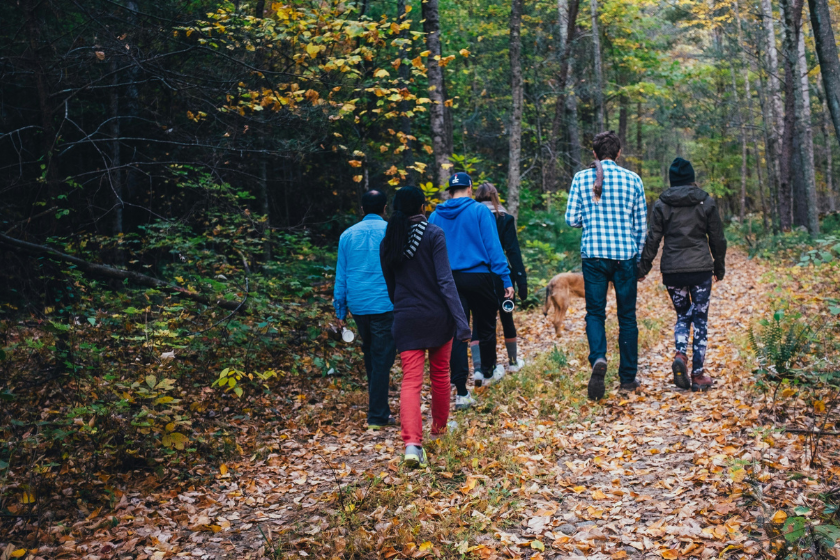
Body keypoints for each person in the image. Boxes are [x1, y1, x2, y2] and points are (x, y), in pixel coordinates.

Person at [380, 186, 470, 468]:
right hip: (437, 318)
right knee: (440, 375)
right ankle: (439, 431)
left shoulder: (389, 241)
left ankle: (411, 445)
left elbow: (391, 287)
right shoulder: (433, 234)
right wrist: (461, 321)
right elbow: (446, 281)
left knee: (410, 382)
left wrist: (405, 307)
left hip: (406, 319)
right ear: (422, 207)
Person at [564, 131, 647, 400]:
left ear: (594, 153)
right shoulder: (633, 179)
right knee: (627, 317)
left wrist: (591, 219)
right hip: (625, 256)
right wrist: (639, 260)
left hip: (594, 256)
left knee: (595, 313)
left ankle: (599, 358)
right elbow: (641, 227)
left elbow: (571, 219)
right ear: (619, 153)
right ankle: (627, 378)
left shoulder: (581, 178)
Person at [638, 157, 726, 392]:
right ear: (691, 178)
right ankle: (697, 375)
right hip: (700, 271)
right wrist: (719, 266)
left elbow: (653, 238)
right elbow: (717, 237)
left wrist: (642, 268)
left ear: (672, 180)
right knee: (700, 320)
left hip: (673, 271)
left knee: (682, 316)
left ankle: (680, 354)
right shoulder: (705, 201)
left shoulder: (661, 204)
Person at [429, 172, 514, 410]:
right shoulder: (479, 211)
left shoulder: (435, 215)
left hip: (448, 280)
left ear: (449, 191)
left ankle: (461, 392)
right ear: (469, 188)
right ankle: (486, 372)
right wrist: (505, 278)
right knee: (485, 325)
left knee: (458, 332)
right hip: (479, 277)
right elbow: (493, 247)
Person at [333, 190, 397, 430]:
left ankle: (378, 405)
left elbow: (342, 275)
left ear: (362, 209)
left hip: (359, 305)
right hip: (385, 303)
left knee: (372, 352)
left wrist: (340, 311)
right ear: (385, 207)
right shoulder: (391, 232)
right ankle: (378, 414)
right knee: (382, 358)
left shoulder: (347, 235)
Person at [472, 183, 528, 373]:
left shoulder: (471, 218)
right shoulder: (505, 219)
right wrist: (521, 281)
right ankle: (512, 362)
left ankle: (480, 368)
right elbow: (513, 252)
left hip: (478, 276)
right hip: (503, 277)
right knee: (507, 318)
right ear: (495, 196)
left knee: (479, 321)